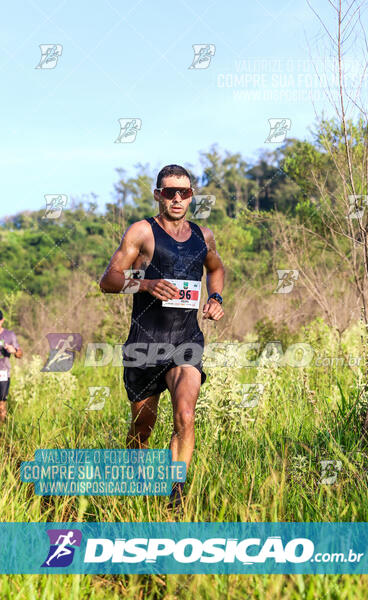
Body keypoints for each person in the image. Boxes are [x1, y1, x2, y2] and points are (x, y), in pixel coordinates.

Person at [100, 164, 225, 510]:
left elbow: (216, 269)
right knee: (143, 428)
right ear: (158, 195)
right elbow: (108, 280)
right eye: (169, 192)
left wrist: (215, 298)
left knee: (185, 415)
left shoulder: (203, 236)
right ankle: (130, 486)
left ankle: (175, 498)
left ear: (191, 196)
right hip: (144, 344)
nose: (176, 198)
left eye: (183, 192)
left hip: (186, 342)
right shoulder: (142, 232)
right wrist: (145, 284)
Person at [0, 310, 23, 422]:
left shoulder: (9, 335)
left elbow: (19, 354)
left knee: (1, 405)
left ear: (2, 320)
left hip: (3, 372)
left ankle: (3, 432)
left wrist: (13, 351)